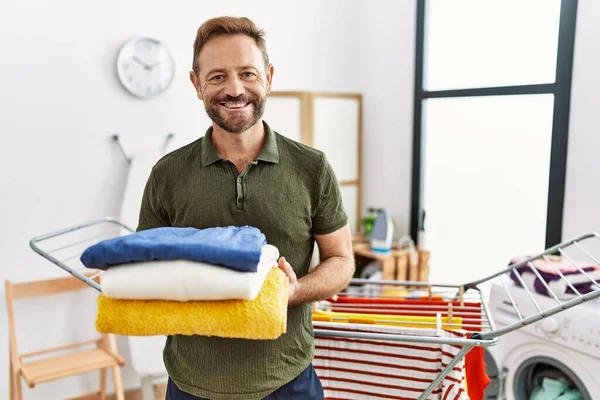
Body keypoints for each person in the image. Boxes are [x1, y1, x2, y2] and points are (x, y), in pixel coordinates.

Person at [136, 16, 355, 400]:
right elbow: (148, 265)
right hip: (192, 384)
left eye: (248, 73)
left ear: (268, 77)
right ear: (196, 84)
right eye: (217, 76)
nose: (235, 89)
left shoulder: (311, 167)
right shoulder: (166, 174)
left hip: (288, 380)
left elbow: (341, 259)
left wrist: (296, 290)